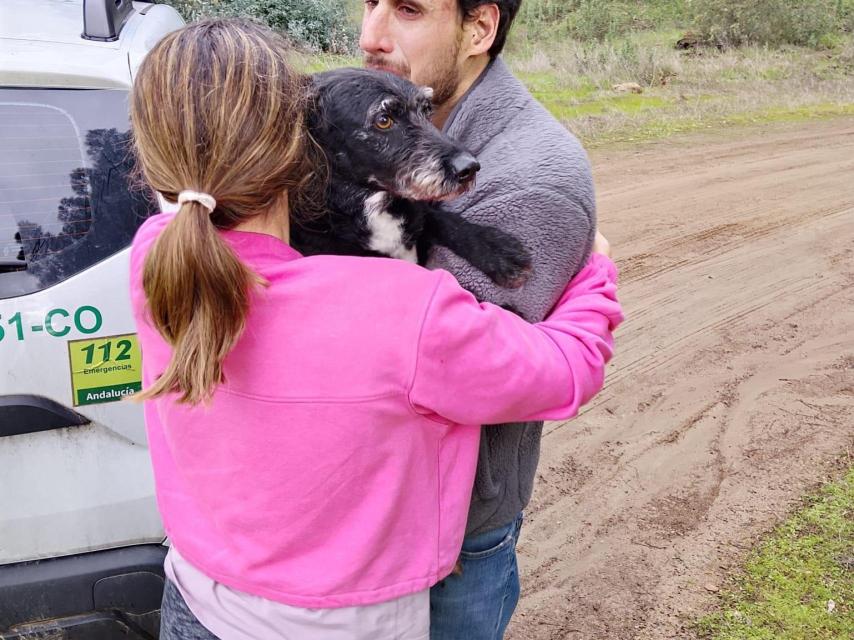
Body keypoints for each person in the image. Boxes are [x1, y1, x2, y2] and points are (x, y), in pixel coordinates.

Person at [129, 18, 622, 640]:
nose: (371, 33)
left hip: (198, 600)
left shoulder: (154, 258)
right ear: (303, 146)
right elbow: (564, 373)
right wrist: (595, 271)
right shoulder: (401, 307)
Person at [360, 2, 597, 636]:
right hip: (357, 521)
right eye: (368, 4)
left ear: (479, 29)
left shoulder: (532, 177)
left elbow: (451, 371)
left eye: (407, 10)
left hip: (449, 535)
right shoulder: (380, 119)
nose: (371, 37)